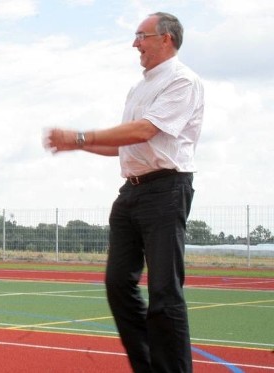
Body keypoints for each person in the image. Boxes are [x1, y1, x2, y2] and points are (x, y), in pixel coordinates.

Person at [44, 12, 204, 373]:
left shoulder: (183, 81)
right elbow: (126, 144)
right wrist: (77, 146)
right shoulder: (139, 87)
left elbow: (144, 130)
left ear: (166, 39)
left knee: (165, 293)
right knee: (118, 285)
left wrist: (82, 136)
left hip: (166, 188)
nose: (135, 44)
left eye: (141, 36)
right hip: (130, 192)